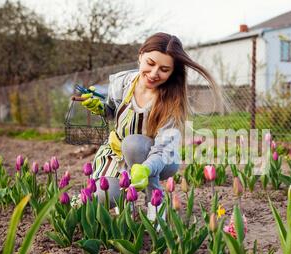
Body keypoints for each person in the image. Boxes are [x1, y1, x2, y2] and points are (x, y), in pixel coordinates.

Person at [80, 32, 220, 217]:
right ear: (140, 56)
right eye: (150, 63)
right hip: (118, 152)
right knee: (103, 195)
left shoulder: (171, 101)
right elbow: (113, 110)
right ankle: (124, 198)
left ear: (172, 72)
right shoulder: (123, 83)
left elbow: (163, 150)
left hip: (159, 157)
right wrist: (100, 108)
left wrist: (145, 168)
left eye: (164, 69)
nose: (154, 74)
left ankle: (154, 201)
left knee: (134, 143)